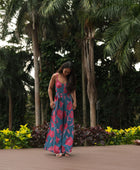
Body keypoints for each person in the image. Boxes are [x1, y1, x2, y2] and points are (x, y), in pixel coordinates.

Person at [44, 61, 77, 158]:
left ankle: (66, 149)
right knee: (57, 125)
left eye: (68, 72)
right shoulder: (55, 76)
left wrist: (75, 102)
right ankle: (57, 150)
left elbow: (73, 91)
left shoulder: (70, 78)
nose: (66, 73)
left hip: (68, 103)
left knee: (68, 126)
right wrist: (51, 101)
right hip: (58, 103)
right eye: (65, 71)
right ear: (62, 68)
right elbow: (50, 88)